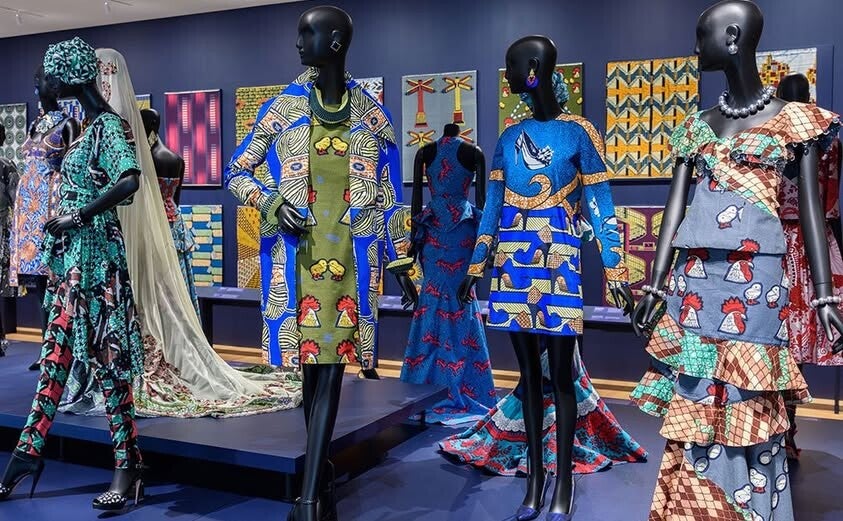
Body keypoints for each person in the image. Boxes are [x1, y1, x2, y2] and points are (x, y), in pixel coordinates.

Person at [60, 48, 302, 419]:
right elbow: (173, 198)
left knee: (151, 297)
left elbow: (130, 187)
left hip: (133, 230)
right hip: (158, 227)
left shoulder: (113, 132)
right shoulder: (145, 146)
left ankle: (128, 363)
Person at [0, 37, 145, 511]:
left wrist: (77, 215)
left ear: (70, 75)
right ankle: (26, 455)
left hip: (98, 261)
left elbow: (130, 181)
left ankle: (128, 466)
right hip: (71, 265)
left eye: (50, 72)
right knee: (55, 356)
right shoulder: (83, 127)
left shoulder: (106, 126)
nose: (45, 81)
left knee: (108, 362)